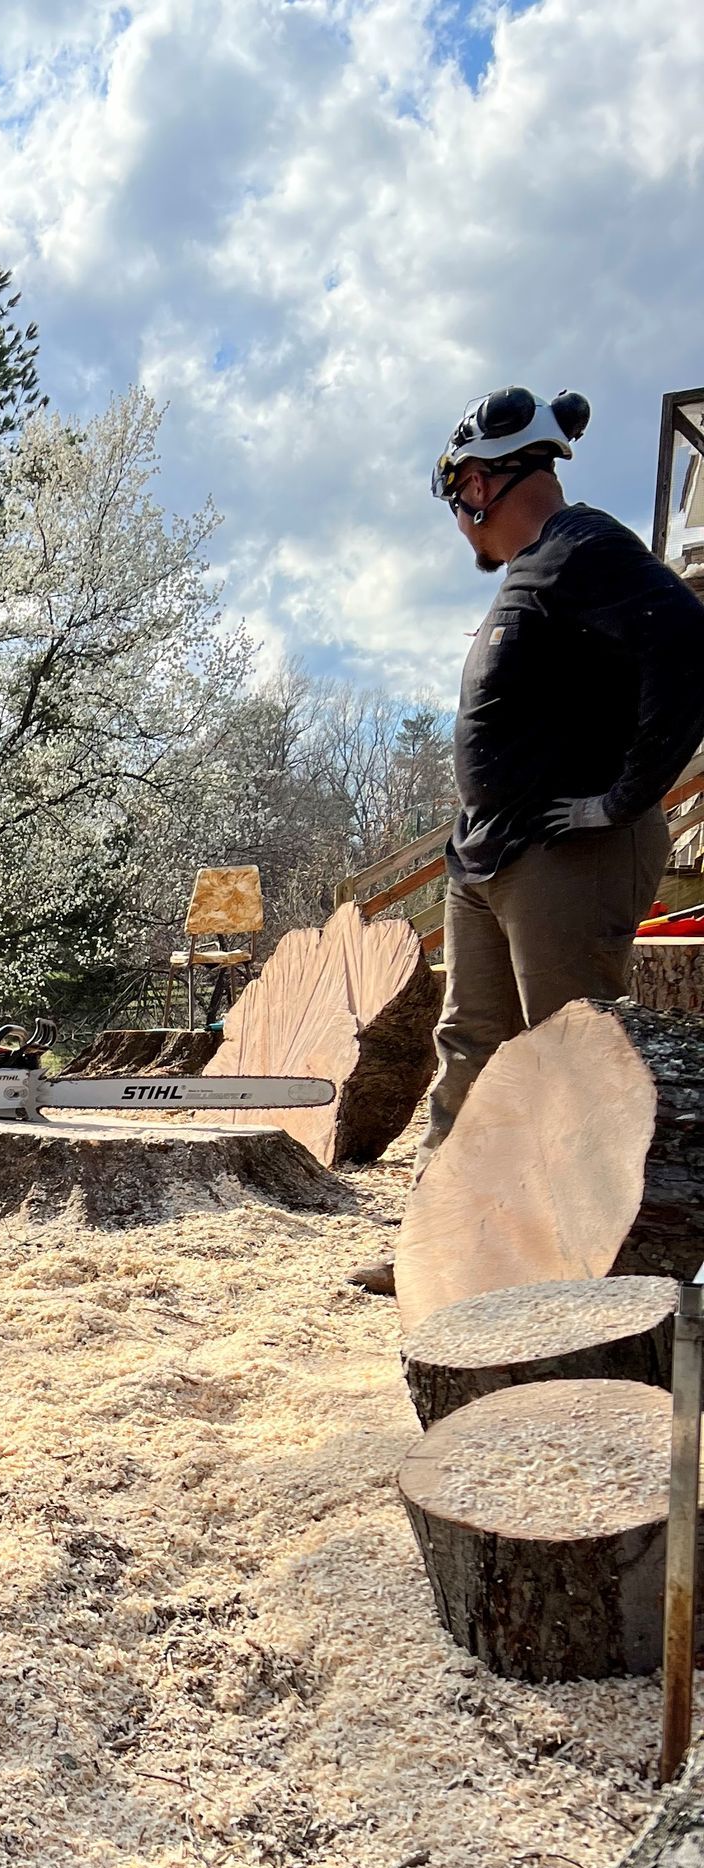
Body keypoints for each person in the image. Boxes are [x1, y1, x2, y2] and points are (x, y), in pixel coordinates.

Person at [351, 386, 704, 1294]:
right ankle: (437, 1253)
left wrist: (622, 800)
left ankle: (573, 1279)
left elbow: (688, 641)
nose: (459, 521)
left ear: (480, 483)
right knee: (471, 1049)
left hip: (565, 856)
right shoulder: (536, 571)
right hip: (490, 855)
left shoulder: (584, 545)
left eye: (457, 497)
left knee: (567, 1058)